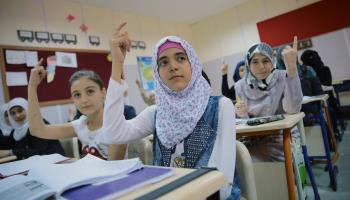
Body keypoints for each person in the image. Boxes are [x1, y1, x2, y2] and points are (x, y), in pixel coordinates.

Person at [101, 23, 236, 199]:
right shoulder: (157, 113)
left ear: (193, 64)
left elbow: (223, 183)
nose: (172, 66)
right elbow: (113, 134)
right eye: (163, 62)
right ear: (157, 73)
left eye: (180, 58)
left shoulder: (220, 106)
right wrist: (117, 65)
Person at [27, 64, 127, 160]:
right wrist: (32, 86)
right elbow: (37, 130)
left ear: (103, 93)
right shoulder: (81, 125)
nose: (84, 100)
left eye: (90, 91)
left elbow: (113, 170)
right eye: (77, 95)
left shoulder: (115, 125)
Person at [235, 38, 303, 161]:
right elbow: (244, 124)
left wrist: (292, 69)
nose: (261, 67)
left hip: (283, 137)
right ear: (248, 65)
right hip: (252, 138)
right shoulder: (240, 85)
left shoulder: (282, 76)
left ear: (273, 61)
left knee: (252, 162)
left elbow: (293, 109)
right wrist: (242, 114)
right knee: (236, 159)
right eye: (255, 62)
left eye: (266, 60)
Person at [0, 98, 65, 160]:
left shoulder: (38, 124)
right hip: (33, 164)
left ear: (27, 109)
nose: (17, 115)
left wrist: (11, 152)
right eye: (13, 113)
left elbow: (38, 152)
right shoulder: (15, 132)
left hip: (54, 160)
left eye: (20, 111)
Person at [276, 46, 324, 114]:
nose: (289, 58)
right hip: (286, 113)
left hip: (308, 108)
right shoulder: (276, 76)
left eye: (291, 54)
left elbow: (319, 92)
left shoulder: (308, 70)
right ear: (279, 59)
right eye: (285, 56)